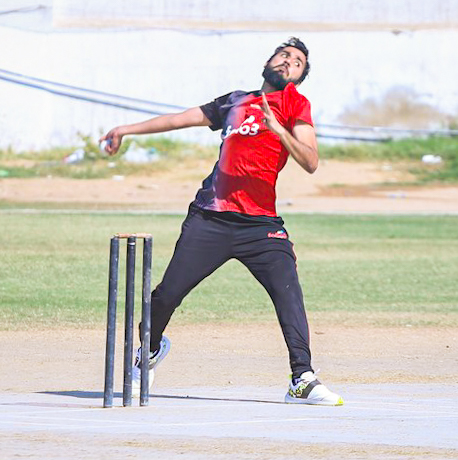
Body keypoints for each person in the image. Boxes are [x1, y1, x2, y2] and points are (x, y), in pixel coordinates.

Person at [100, 37, 343, 406]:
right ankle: (148, 351)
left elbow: (311, 161)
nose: (287, 61)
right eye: (283, 55)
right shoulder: (234, 101)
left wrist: (279, 130)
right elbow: (179, 119)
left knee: (288, 293)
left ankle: (302, 378)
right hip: (209, 219)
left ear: (298, 77)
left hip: (260, 226)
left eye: (296, 62)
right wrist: (125, 129)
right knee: (165, 296)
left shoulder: (295, 104)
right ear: (269, 61)